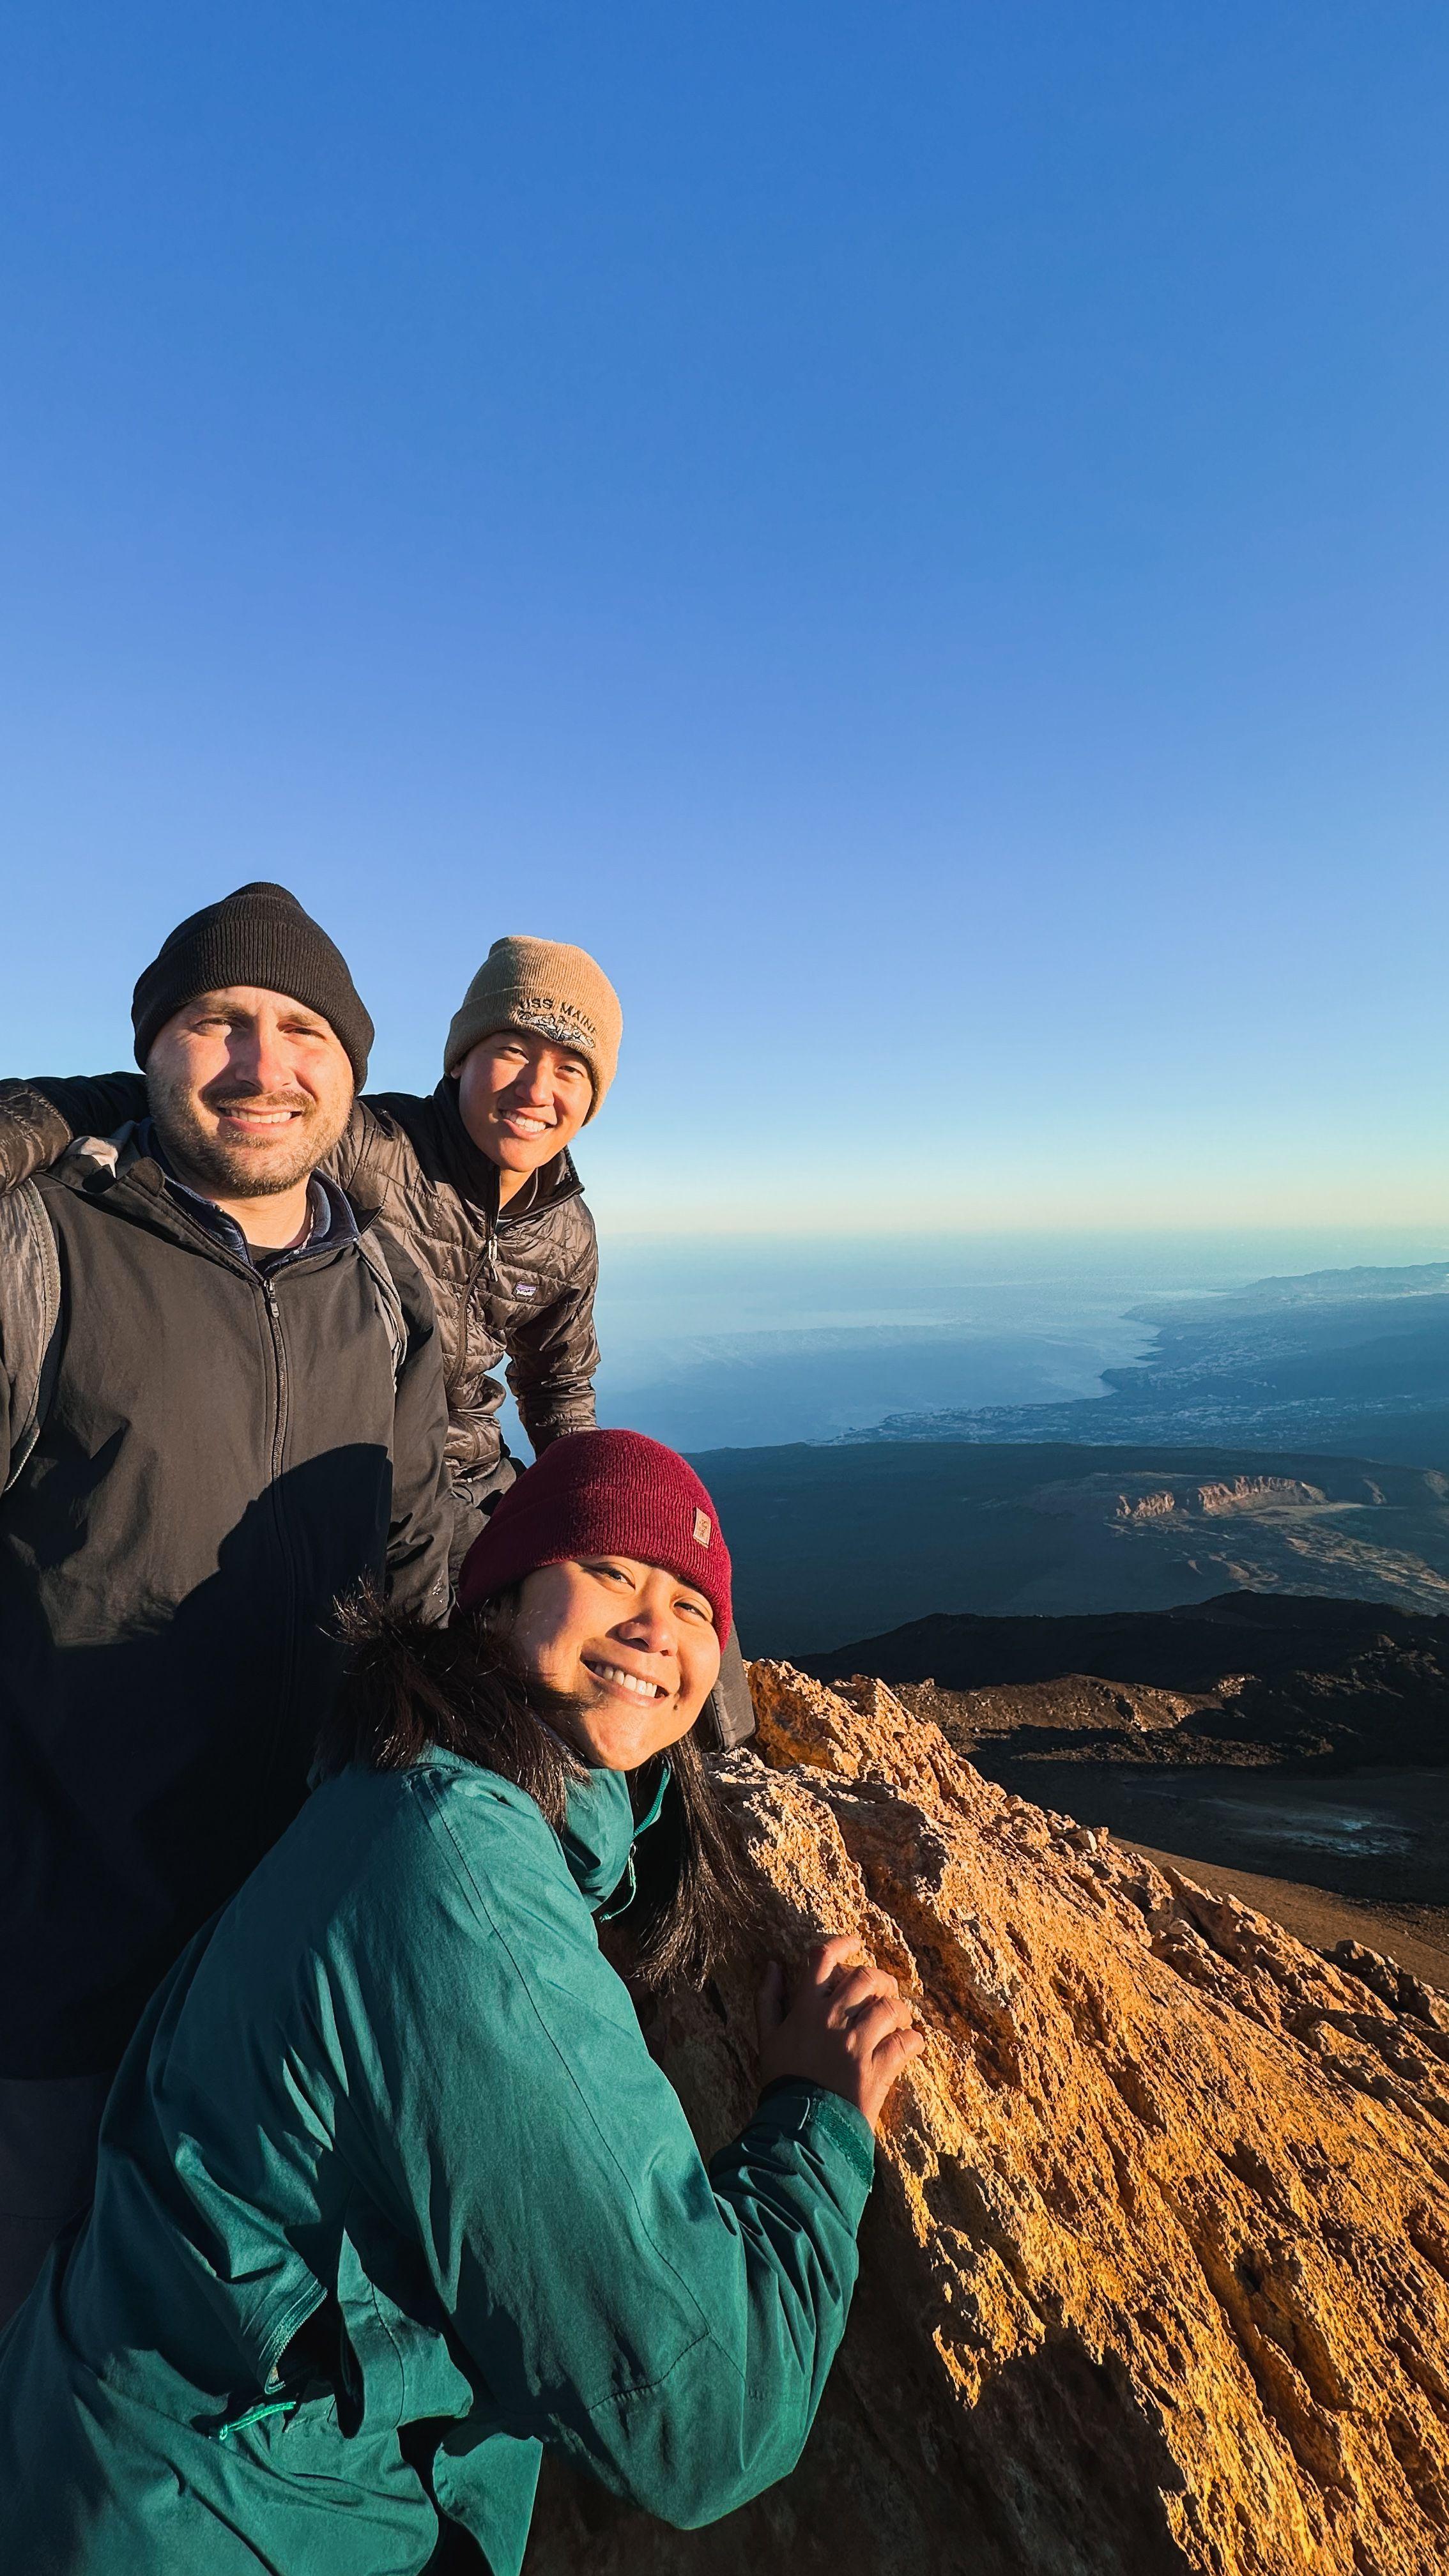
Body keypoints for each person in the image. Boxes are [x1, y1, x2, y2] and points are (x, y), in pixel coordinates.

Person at [0, 1429, 923, 2575]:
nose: (655, 1626)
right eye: (612, 1571)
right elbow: (700, 2414)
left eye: (694, 1604)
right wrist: (815, 2123)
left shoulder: (408, 1779)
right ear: (497, 1590)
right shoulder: (456, 1867)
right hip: (222, 2524)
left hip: (152, 2478)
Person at [0, 880, 452, 2324]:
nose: (264, 1065)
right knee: (36, 2354)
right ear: (149, 1049)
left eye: (303, 1029)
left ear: (352, 1070)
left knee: (227, 2358)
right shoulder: (43, 1252)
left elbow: (422, 1570)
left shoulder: (382, 1286)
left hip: (288, 1961)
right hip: (54, 1968)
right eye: (218, 1023)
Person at [0, 927, 624, 1570]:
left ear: (592, 1098)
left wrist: (598, 1510)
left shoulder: (566, 1229)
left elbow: (559, 1383)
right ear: (461, 1057)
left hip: (477, 1479)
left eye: (570, 1070)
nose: (536, 1090)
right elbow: (193, 1104)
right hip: (349, 1469)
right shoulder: (372, 1146)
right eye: (512, 1051)